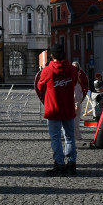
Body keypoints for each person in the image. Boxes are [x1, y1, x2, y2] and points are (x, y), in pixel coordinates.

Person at [35, 44, 79, 175]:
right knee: (70, 136)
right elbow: (75, 82)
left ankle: (59, 164)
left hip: (53, 109)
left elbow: (40, 87)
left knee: (55, 137)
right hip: (68, 108)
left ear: (51, 56)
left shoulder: (47, 71)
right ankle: (72, 163)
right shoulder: (72, 69)